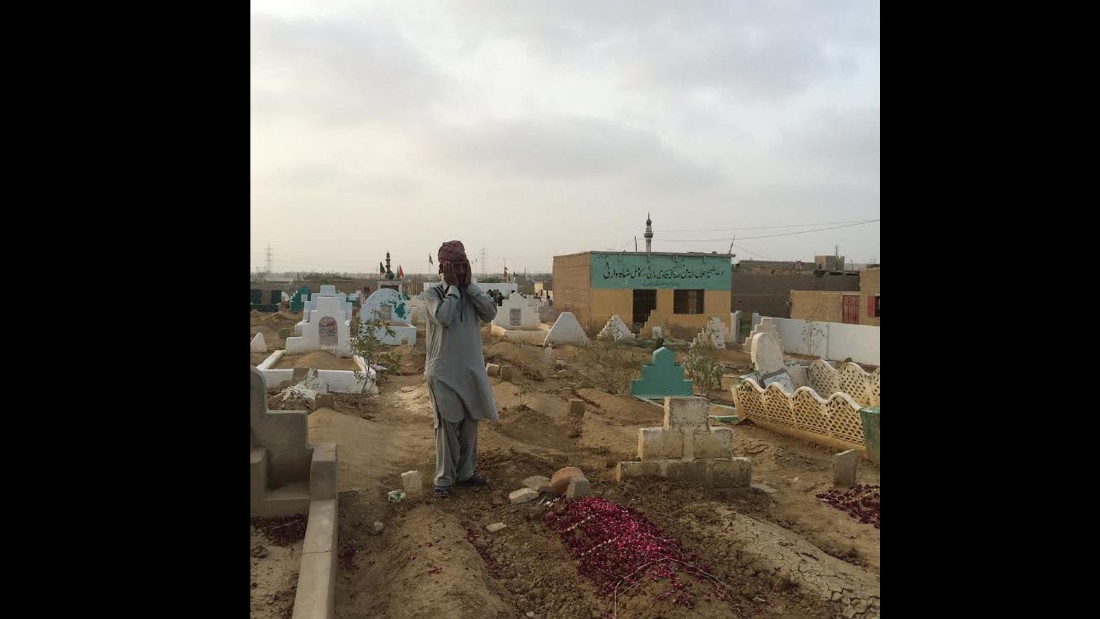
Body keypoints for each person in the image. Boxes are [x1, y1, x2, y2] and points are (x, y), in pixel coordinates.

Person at [421, 240, 499, 498]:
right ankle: (444, 479)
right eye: (454, 266)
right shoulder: (433, 294)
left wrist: (469, 287)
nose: (460, 270)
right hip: (443, 372)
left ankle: (465, 473)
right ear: (442, 268)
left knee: (469, 425)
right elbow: (443, 317)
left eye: (463, 265)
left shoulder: (472, 293)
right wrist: (453, 288)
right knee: (447, 426)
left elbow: (489, 313)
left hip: (470, 371)